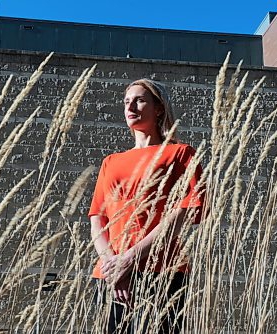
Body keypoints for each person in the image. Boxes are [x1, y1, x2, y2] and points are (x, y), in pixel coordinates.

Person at [88, 79, 205, 333]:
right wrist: (114, 265)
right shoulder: (111, 161)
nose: (131, 106)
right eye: (127, 101)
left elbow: (187, 210)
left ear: (159, 108)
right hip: (110, 275)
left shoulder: (180, 153)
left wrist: (129, 258)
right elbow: (97, 218)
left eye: (140, 100)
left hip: (160, 271)